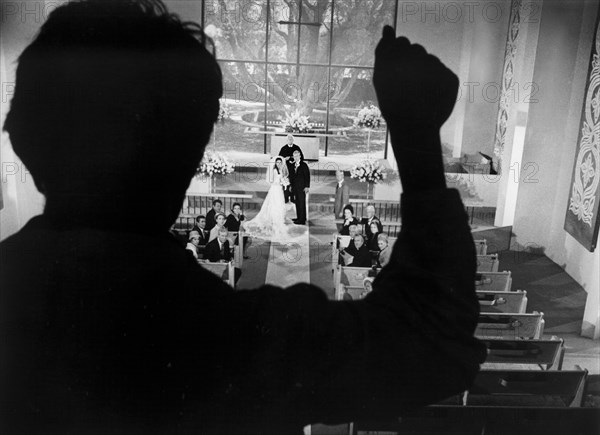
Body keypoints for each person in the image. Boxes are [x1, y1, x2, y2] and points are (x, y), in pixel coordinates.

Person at [0, 2, 485, 431]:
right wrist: (417, 137)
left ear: (19, 132)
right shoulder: (222, 340)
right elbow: (427, 344)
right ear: (190, 153)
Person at [243, 156, 293, 241]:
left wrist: (284, 182)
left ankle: (279, 219)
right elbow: (271, 180)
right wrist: (280, 182)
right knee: (273, 204)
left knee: (279, 204)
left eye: (280, 163)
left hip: (279, 189)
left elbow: (283, 178)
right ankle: (273, 219)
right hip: (275, 189)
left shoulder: (281, 170)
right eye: (277, 162)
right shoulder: (274, 170)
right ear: (275, 163)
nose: (279, 164)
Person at [279, 134, 304, 204]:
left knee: (293, 183)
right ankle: (286, 198)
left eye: (291, 139)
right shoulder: (283, 148)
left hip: (294, 169)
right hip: (286, 168)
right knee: (285, 182)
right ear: (286, 140)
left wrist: (292, 158)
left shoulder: (296, 147)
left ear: (293, 140)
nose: (290, 140)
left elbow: (302, 157)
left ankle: (293, 198)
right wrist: (285, 159)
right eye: (288, 139)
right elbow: (279, 159)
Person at [290, 149, 310, 225]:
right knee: (297, 202)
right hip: (295, 187)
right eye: (294, 156)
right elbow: (292, 177)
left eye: (297, 156)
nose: (295, 158)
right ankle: (299, 217)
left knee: (302, 203)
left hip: (302, 188)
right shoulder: (293, 165)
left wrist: (307, 186)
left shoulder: (304, 165)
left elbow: (307, 176)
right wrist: (291, 186)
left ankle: (302, 220)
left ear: (300, 156)